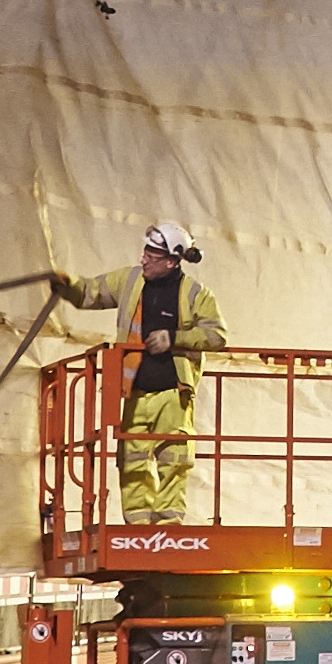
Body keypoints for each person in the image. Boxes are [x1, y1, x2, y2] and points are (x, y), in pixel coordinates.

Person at [117, 221, 227, 522]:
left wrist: (174, 339)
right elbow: (92, 291)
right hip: (135, 393)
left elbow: (217, 336)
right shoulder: (131, 282)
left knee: (174, 459)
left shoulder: (194, 293)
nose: (144, 259)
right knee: (131, 459)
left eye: (152, 256)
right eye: (145, 253)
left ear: (171, 260)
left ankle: (169, 524)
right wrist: (69, 286)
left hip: (173, 393)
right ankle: (138, 527)